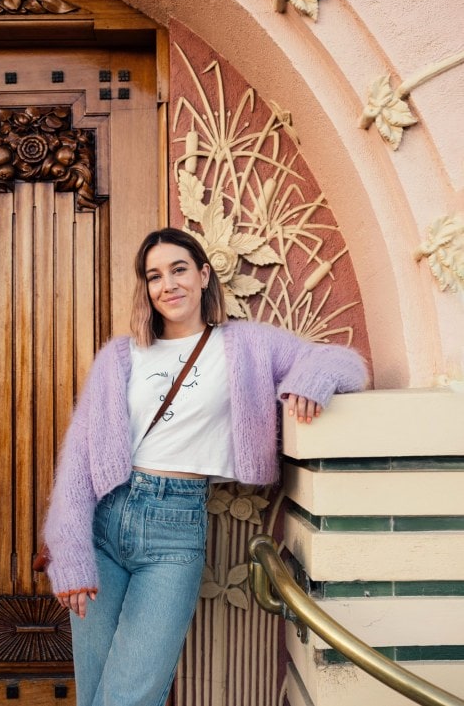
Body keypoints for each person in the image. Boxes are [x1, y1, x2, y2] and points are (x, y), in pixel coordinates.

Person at [43, 227, 367, 706]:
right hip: (105, 522)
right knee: (93, 690)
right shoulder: (120, 354)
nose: (167, 285)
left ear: (203, 274)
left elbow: (346, 362)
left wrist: (311, 379)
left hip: (176, 531)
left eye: (178, 270)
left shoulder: (247, 345)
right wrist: (69, 553)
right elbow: (78, 459)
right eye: (154, 276)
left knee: (130, 693)